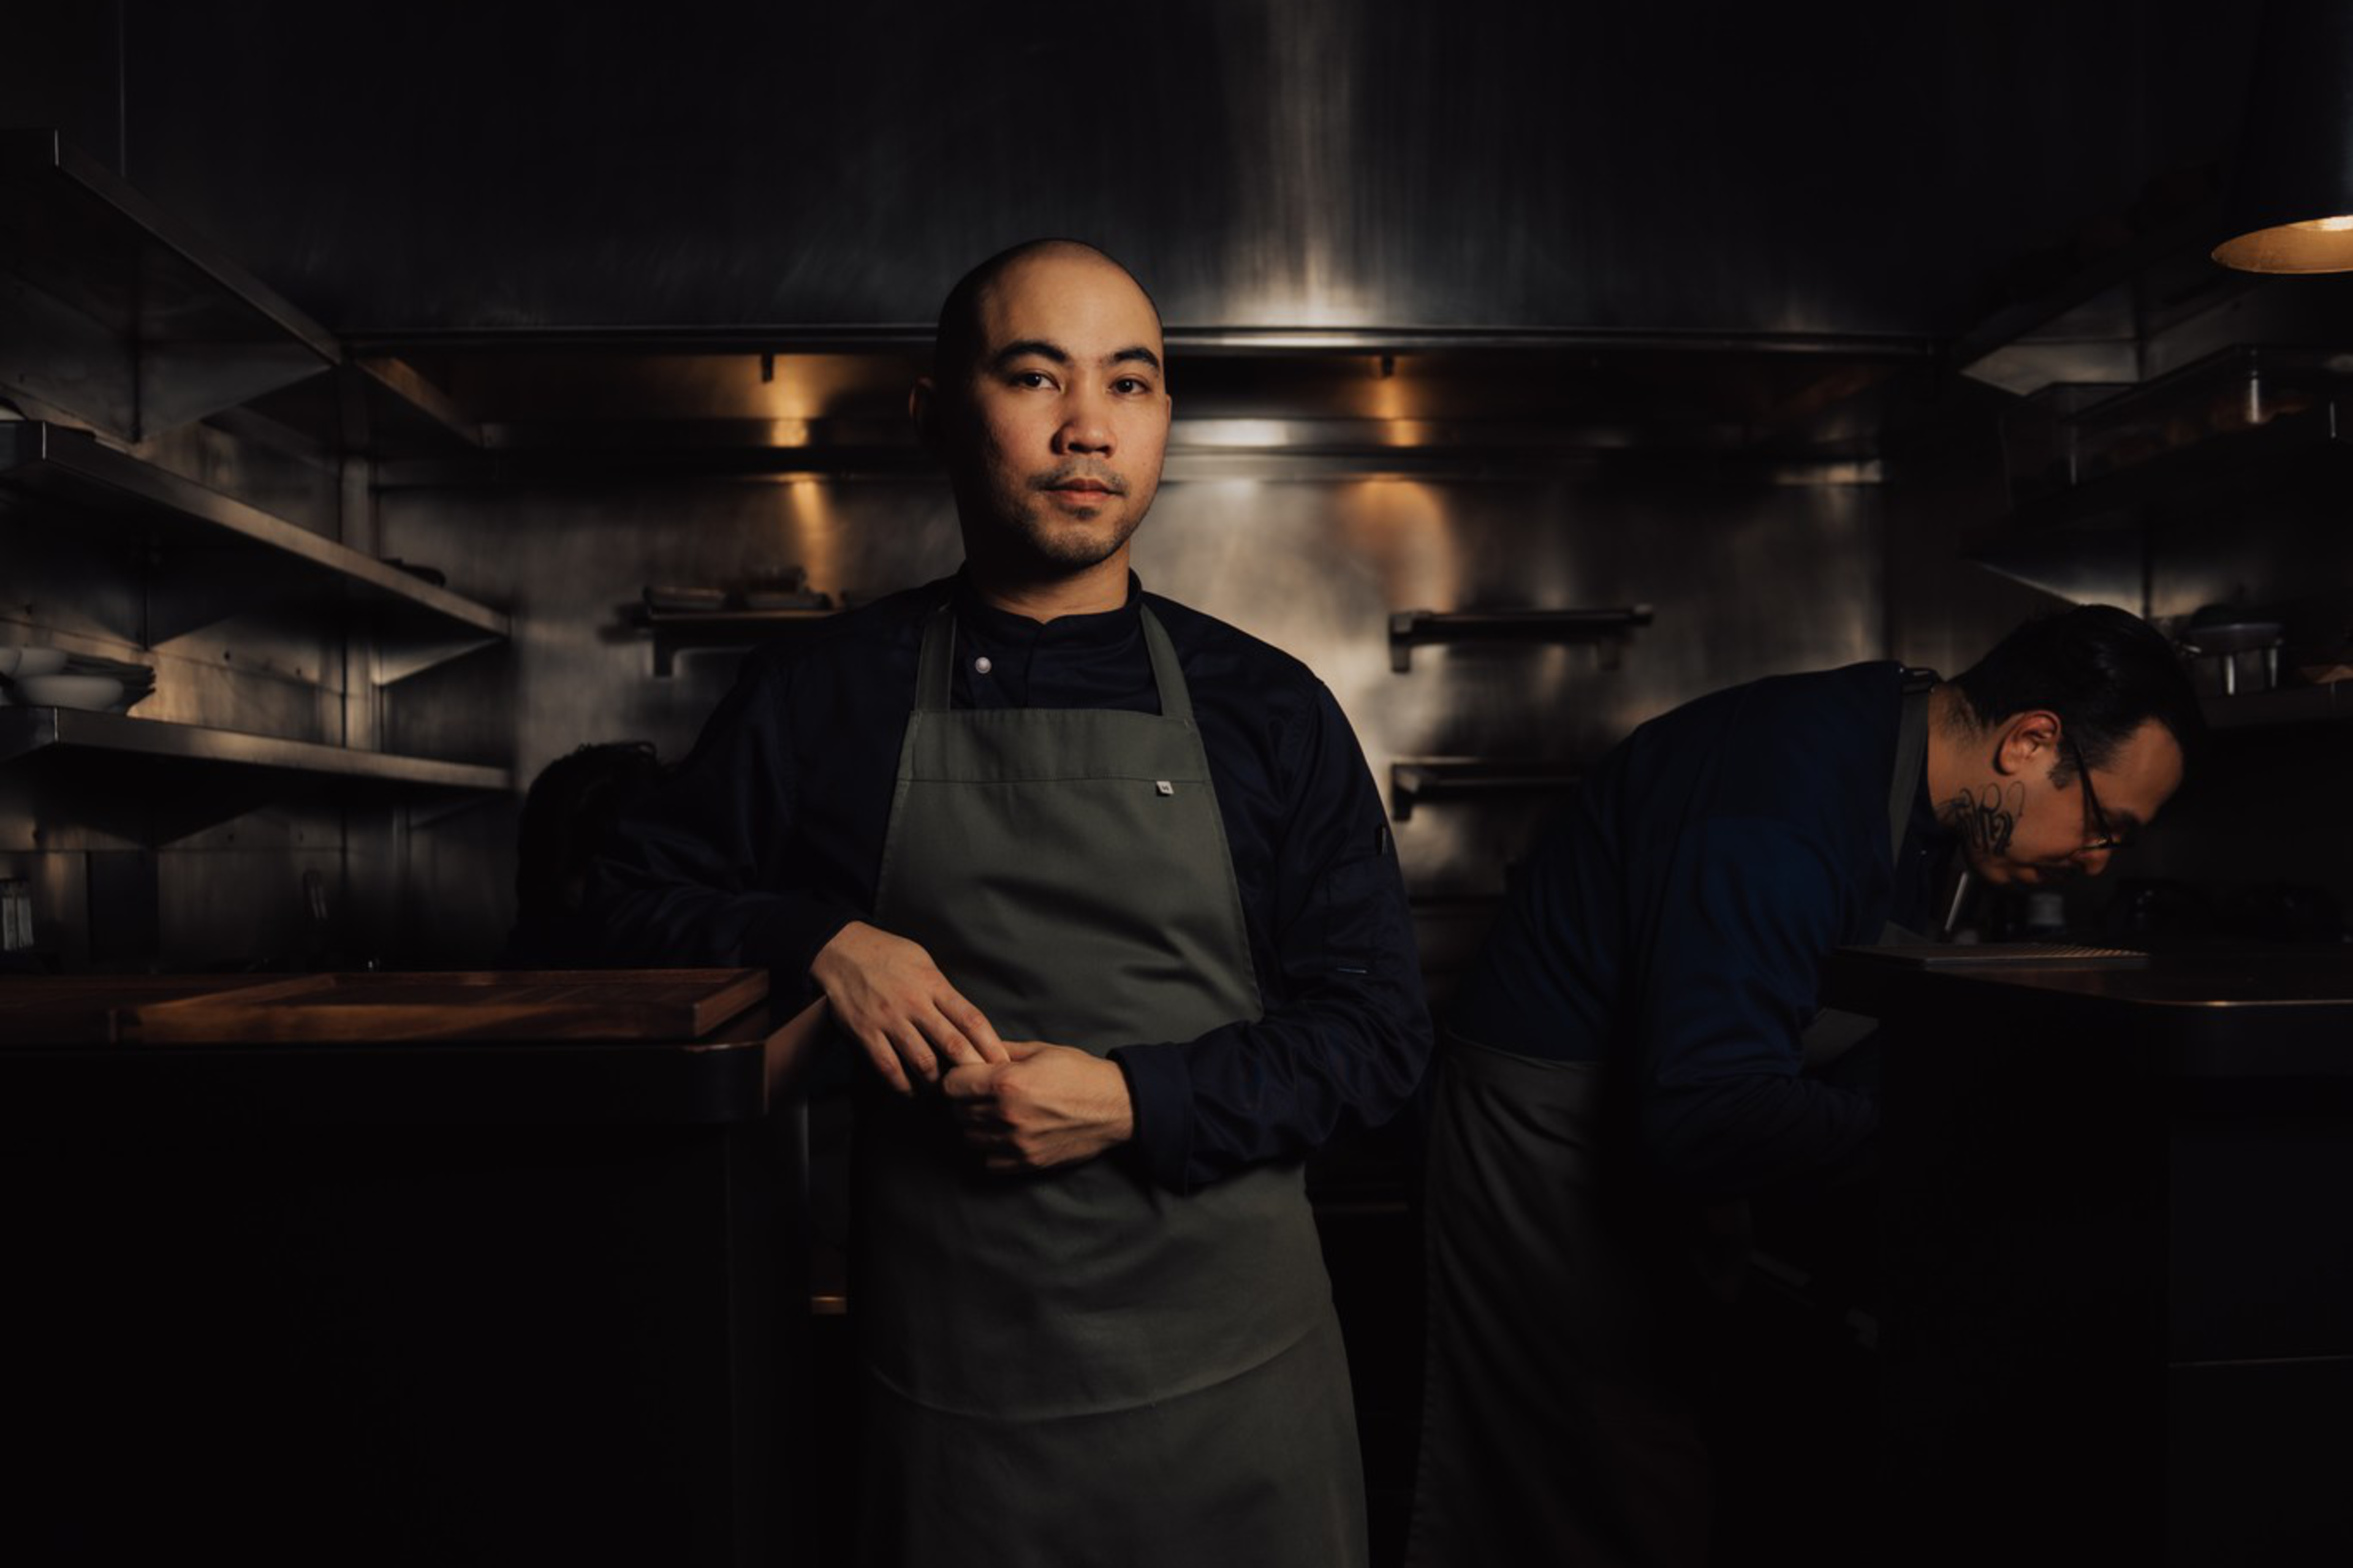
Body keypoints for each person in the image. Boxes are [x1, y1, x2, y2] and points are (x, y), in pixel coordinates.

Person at [586, 239, 1431, 1567]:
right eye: (1036, 377)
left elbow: (1379, 1039)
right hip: (956, 1412)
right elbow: (605, 905)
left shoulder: (1270, 709)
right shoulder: (823, 696)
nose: (1088, 426)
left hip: (1238, 1400)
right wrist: (817, 940)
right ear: (935, 412)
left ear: (1164, 417)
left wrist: (1134, 1098)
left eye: (1129, 384)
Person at [1405, 605, 2202, 1567]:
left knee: (1651, 1472)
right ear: (2030, 741)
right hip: (1548, 1138)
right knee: (1588, 1493)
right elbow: (1705, 1110)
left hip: (1664, 1137)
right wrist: (1953, 1143)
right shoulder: (1780, 802)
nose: (2096, 860)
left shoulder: (1914, 770)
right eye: (2106, 825)